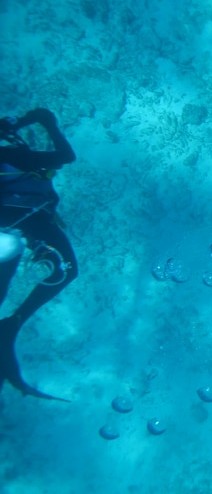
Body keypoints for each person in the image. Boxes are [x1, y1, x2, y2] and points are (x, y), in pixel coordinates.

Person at [0, 108, 77, 402]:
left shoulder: (15, 157)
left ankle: (9, 327)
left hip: (21, 226)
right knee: (65, 271)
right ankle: (12, 325)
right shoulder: (18, 157)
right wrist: (47, 122)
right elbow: (65, 156)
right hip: (25, 223)